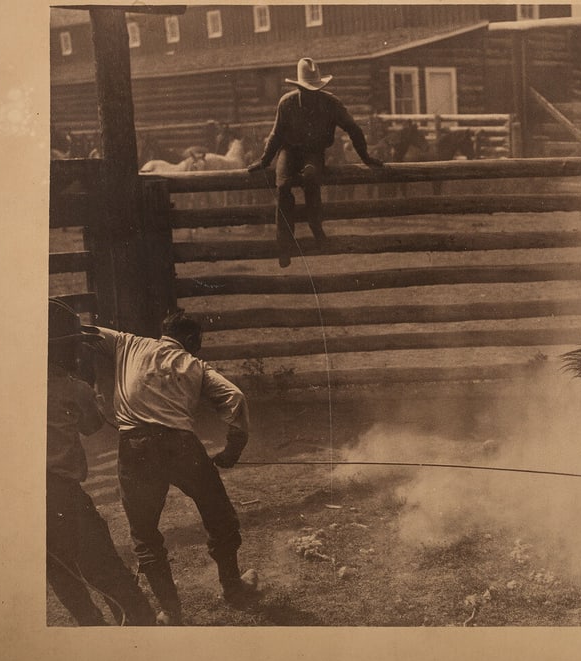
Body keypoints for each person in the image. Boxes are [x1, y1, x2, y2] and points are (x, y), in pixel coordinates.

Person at [89, 309, 257, 626]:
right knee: (219, 515)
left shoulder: (127, 343)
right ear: (190, 338)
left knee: (144, 533)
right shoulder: (196, 366)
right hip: (181, 447)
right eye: (199, 341)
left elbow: (84, 332)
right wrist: (231, 451)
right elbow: (235, 396)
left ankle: (171, 611)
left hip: (135, 449)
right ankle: (233, 588)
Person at [46, 299, 158, 626]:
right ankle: (143, 627)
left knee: (60, 570)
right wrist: (89, 393)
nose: (76, 352)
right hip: (62, 494)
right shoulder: (73, 389)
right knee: (104, 566)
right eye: (70, 346)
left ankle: (93, 630)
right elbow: (92, 426)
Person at [247, 57, 385, 267]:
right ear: (299, 87)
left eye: (314, 90)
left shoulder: (331, 103)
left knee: (311, 177)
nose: (310, 94)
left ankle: (316, 226)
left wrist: (366, 157)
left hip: (313, 153)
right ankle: (285, 246)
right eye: (306, 90)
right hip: (289, 151)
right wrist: (264, 161)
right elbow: (276, 135)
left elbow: (353, 129)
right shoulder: (287, 103)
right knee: (283, 186)